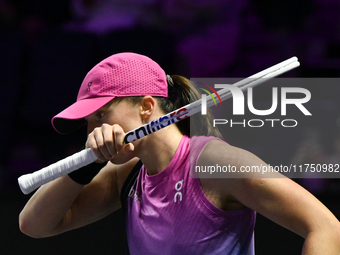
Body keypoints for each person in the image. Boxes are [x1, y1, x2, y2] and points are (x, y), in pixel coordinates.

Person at [19, 52, 340, 254]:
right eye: (88, 123)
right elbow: (34, 225)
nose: (93, 132)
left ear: (146, 107)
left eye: (101, 115)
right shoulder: (127, 174)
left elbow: (326, 227)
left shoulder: (216, 163)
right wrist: (83, 167)